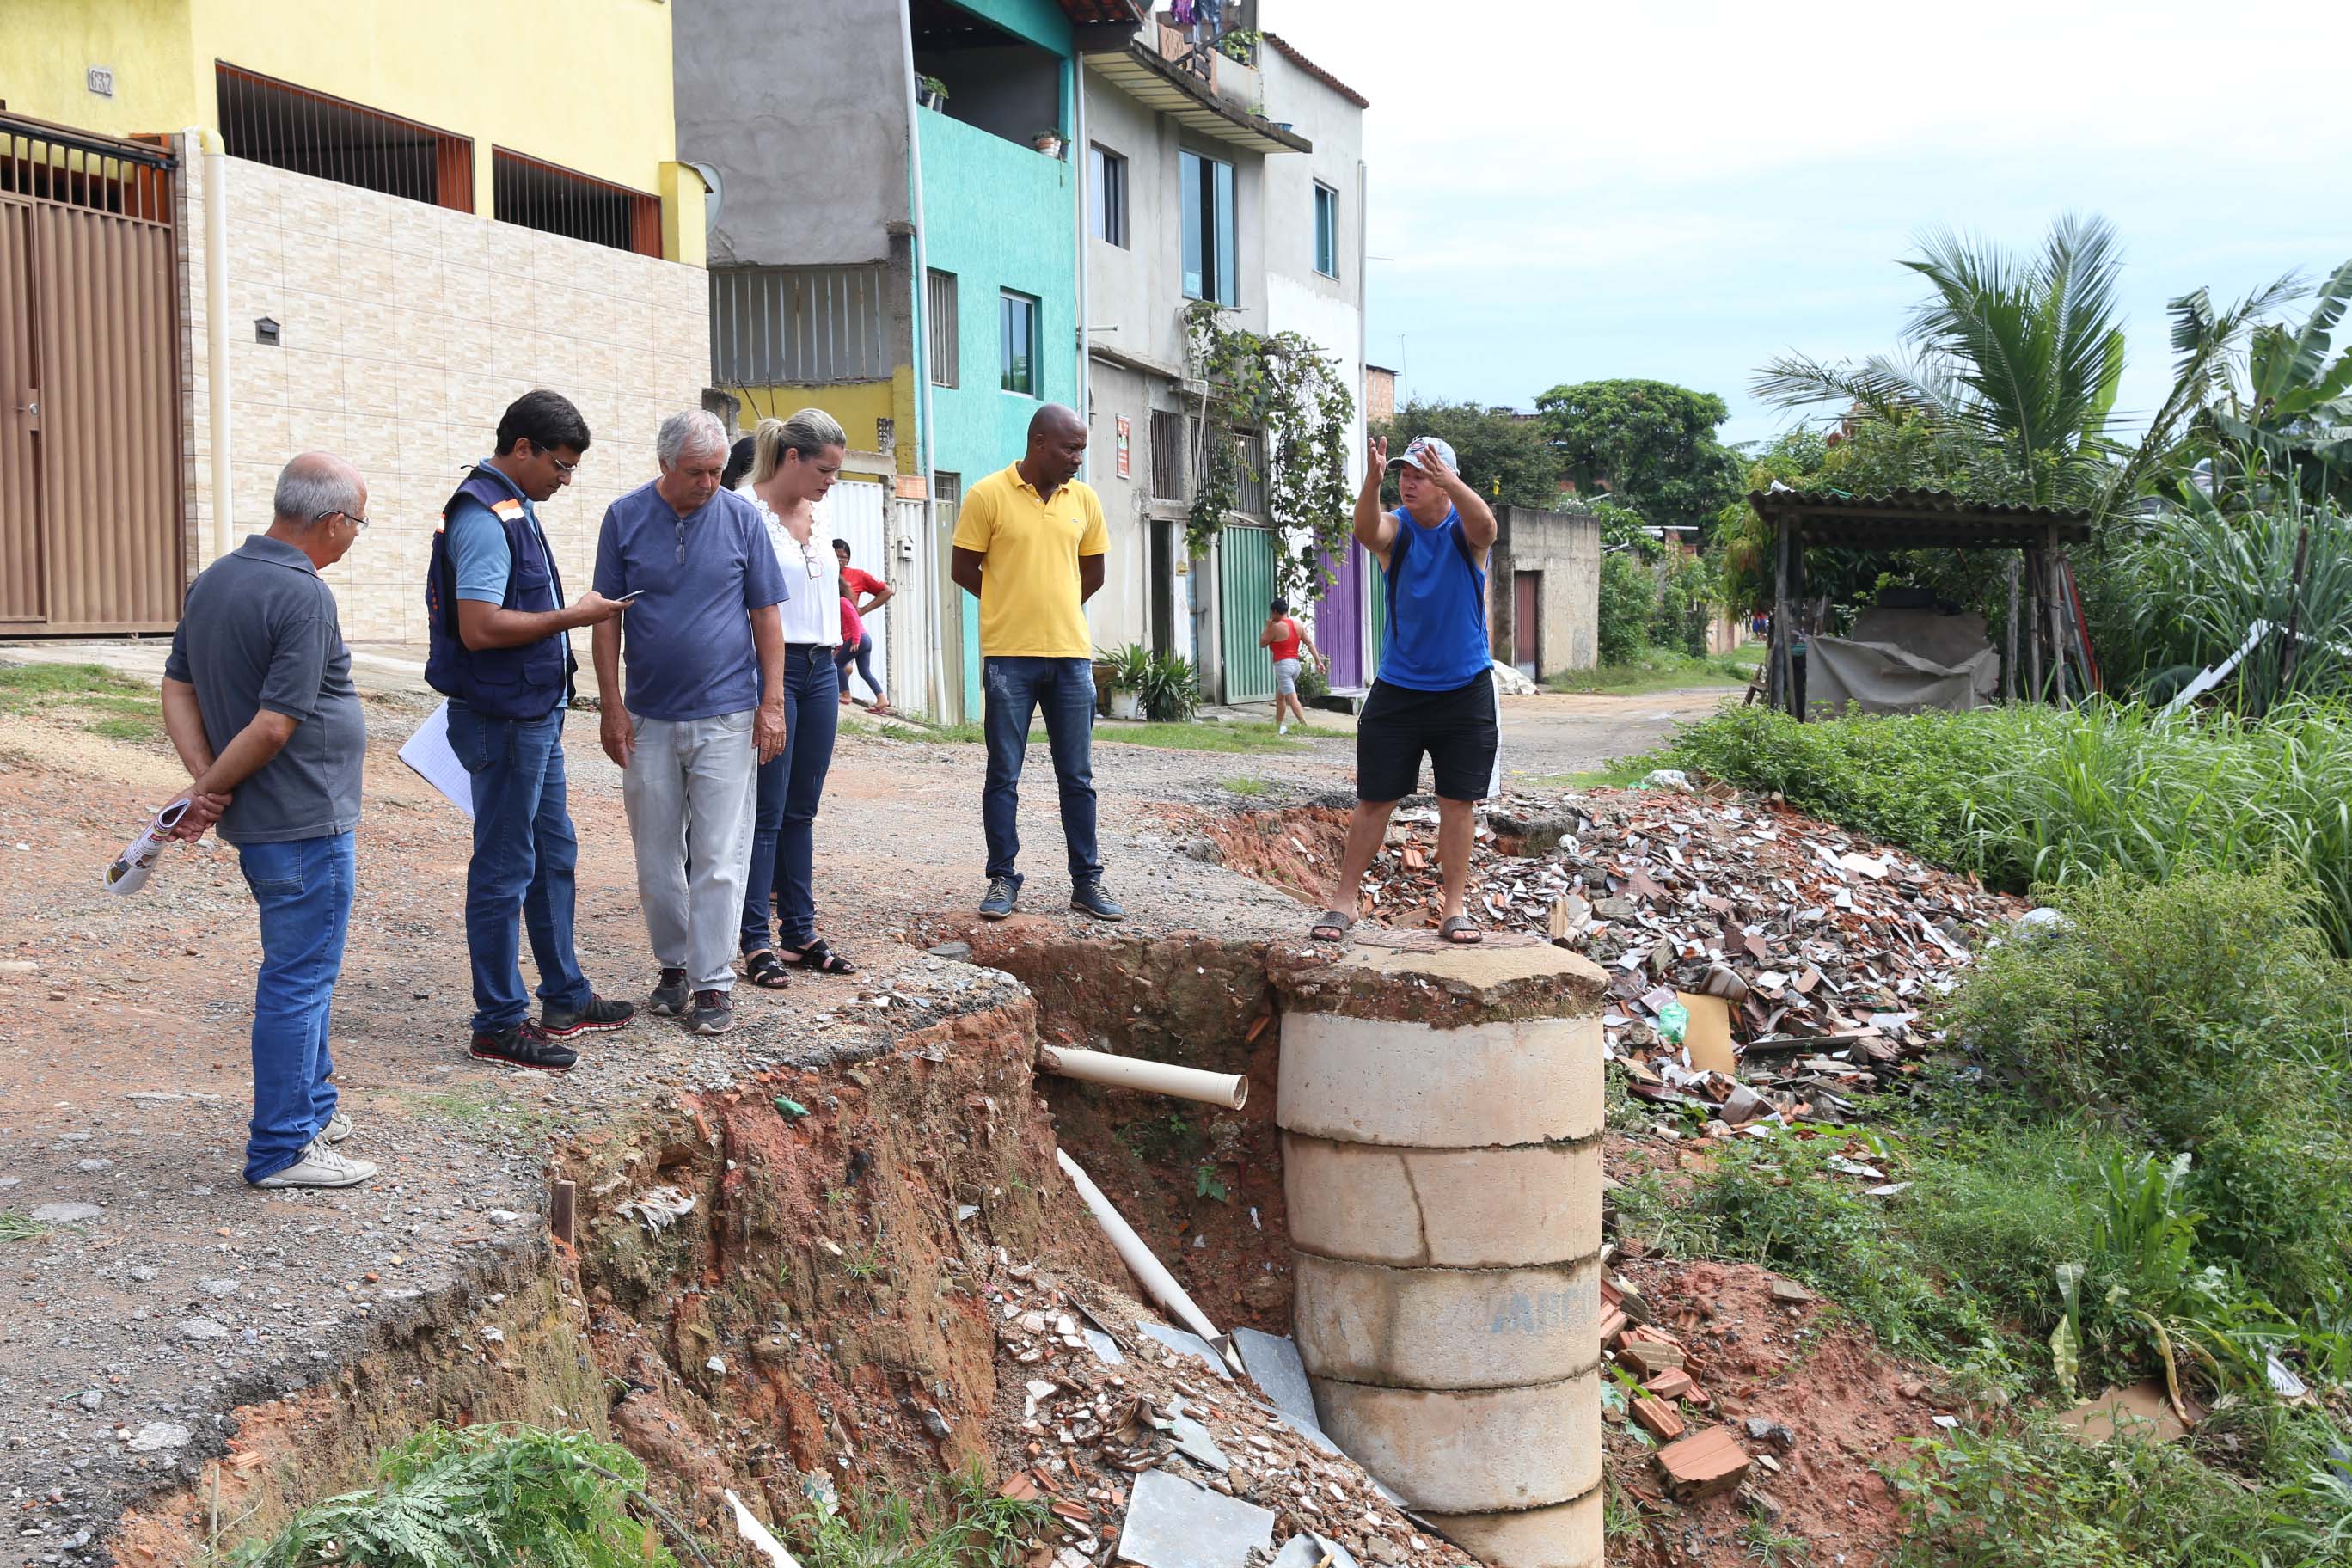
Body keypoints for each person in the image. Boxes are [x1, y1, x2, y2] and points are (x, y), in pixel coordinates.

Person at [156, 453, 377, 1189]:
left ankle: (312, 1108)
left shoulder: (216, 577)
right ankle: (282, 1147)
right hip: (303, 819)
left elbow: (178, 686)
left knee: (300, 968)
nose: (354, 539)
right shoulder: (304, 594)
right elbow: (277, 723)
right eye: (358, 525)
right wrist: (206, 790)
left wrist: (204, 784)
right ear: (332, 522)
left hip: (266, 819)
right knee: (299, 977)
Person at [425, 389, 634, 1073]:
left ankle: (564, 996)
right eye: (561, 465)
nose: (566, 479)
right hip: (504, 717)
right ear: (522, 449)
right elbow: (481, 627)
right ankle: (498, 1022)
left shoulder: (514, 505)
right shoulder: (484, 516)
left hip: (532, 713)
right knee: (504, 866)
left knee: (553, 853)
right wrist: (575, 618)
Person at [591, 411, 788, 1036]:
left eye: (715, 472)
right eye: (696, 472)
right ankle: (673, 967)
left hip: (728, 716)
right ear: (664, 465)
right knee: (655, 856)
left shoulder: (742, 519)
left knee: (719, 856)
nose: (709, 483)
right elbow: (605, 618)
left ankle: (712, 984)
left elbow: (766, 616)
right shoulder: (623, 518)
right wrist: (611, 704)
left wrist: (772, 704)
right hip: (647, 716)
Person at [1312, 433, 1500, 946]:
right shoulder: (1399, 530)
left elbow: (1488, 526)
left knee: (1457, 802)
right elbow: (1367, 529)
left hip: (1465, 690)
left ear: (1444, 480)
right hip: (1398, 688)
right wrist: (1372, 480)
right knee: (1374, 799)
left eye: (1420, 474)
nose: (1408, 482)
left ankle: (1454, 909)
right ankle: (1343, 902)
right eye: (1403, 473)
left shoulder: (1466, 533)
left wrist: (1453, 483)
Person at [951, 404, 1123, 923]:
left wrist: (1059, 606)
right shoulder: (987, 495)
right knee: (1003, 773)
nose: (1077, 459)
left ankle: (1087, 882)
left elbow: (1092, 574)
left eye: (1082, 450)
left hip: (1071, 658)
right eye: (1070, 449)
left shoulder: (1085, 499)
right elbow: (963, 568)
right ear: (1040, 442)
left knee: (1078, 776)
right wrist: (1010, 604)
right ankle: (1002, 877)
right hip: (1009, 659)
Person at [737, 410, 859, 987]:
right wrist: (767, 696)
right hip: (776, 670)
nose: (831, 480)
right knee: (766, 810)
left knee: (801, 809)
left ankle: (800, 931)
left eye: (836, 471)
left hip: (821, 667)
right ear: (791, 458)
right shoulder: (745, 512)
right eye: (825, 469)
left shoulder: (820, 510)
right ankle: (755, 939)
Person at [832, 536, 892, 712]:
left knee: (837, 664)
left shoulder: (849, 590)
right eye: (835, 556)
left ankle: (845, 693)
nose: (839, 560)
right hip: (849, 635)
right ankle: (881, 699)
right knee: (863, 670)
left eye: (843, 557)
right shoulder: (822, 572)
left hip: (852, 635)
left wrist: (864, 610)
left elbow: (887, 591)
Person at [1259, 596, 1326, 735]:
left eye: (1272, 613)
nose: (1272, 616)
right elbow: (1309, 644)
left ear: (1276, 611)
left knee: (1291, 697)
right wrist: (1318, 661)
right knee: (1280, 696)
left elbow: (1262, 643)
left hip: (1283, 665)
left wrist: (1267, 627)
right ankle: (1277, 725)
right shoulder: (1298, 625)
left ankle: (1304, 724)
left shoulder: (1276, 627)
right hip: (1296, 665)